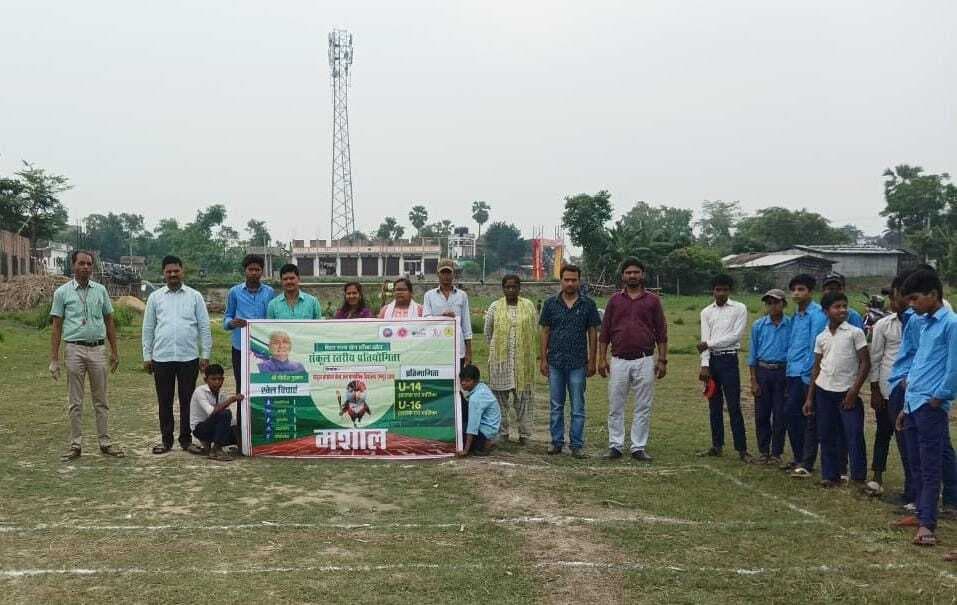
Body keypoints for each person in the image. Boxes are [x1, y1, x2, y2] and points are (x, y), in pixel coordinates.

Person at [894, 270, 957, 547]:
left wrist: (939, 397)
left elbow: (953, 368)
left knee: (931, 466)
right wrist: (906, 402)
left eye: (915, 299)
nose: (911, 304)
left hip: (930, 406)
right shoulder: (924, 323)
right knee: (915, 463)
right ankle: (920, 512)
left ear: (933, 294)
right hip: (913, 403)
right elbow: (920, 359)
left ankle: (927, 525)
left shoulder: (951, 324)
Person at [49, 250, 124, 460]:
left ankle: (105, 442)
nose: (86, 267)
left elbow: (109, 321)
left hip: (98, 349)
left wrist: (115, 351)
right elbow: (56, 327)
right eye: (81, 263)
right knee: (75, 401)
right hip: (74, 349)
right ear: (73, 265)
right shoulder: (62, 292)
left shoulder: (100, 291)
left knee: (101, 399)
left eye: (89, 264)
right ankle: (76, 444)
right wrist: (54, 359)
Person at [597, 258, 667, 462]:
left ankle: (638, 447)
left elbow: (661, 332)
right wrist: (602, 359)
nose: (632, 276)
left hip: (644, 360)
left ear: (642, 275)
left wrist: (662, 360)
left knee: (643, 405)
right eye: (628, 273)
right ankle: (615, 445)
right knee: (615, 405)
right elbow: (605, 333)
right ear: (623, 276)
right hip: (618, 360)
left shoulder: (653, 301)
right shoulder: (614, 301)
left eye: (636, 272)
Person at [142, 255, 212, 454]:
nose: (173, 274)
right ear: (163, 274)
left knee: (187, 401)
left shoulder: (195, 296)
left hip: (188, 357)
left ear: (183, 271)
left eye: (176, 271)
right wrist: (147, 356)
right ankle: (166, 441)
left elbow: (204, 327)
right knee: (164, 401)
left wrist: (204, 354)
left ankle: (186, 440)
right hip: (161, 358)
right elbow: (148, 328)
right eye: (169, 271)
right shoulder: (155, 298)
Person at [803, 291, 870, 488]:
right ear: (826, 311)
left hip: (846, 392)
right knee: (826, 434)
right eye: (837, 307)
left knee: (853, 434)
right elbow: (817, 368)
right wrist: (809, 398)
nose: (842, 310)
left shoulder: (854, 333)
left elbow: (865, 364)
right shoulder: (822, 336)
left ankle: (858, 477)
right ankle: (830, 475)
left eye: (844, 306)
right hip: (824, 391)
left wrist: (854, 391)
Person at [540, 264, 602, 459]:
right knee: (556, 405)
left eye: (574, 280)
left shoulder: (588, 305)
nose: (570, 283)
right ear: (561, 280)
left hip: (578, 363)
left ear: (579, 281)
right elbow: (545, 332)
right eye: (566, 279)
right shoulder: (550, 304)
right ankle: (556, 442)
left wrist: (592, 360)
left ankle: (576, 444)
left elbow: (593, 333)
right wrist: (543, 359)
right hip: (555, 361)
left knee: (577, 406)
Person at [696, 274, 751, 462]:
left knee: (734, 405)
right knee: (714, 405)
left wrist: (709, 344)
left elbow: (735, 337)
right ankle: (717, 445)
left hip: (729, 360)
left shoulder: (739, 308)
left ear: (730, 291)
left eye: (725, 289)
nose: (721, 293)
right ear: (712, 290)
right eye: (718, 289)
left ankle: (742, 449)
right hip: (712, 362)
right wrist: (704, 365)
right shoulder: (706, 312)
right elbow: (704, 338)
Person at [484, 275, 538, 445]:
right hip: (501, 362)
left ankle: (525, 434)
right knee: (500, 399)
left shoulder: (528, 306)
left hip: (523, 362)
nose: (511, 290)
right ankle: (502, 432)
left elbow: (534, 329)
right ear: (503, 288)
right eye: (507, 287)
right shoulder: (495, 307)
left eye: (514, 287)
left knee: (524, 398)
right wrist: (499, 350)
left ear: (519, 288)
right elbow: (488, 332)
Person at [868, 276, 909, 490]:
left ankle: (911, 484)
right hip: (886, 390)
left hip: (910, 391)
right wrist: (875, 390)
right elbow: (875, 358)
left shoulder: (920, 324)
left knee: (907, 439)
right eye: (891, 300)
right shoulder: (883, 324)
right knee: (883, 432)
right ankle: (877, 476)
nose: (894, 303)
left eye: (897, 298)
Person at [786, 274, 828, 477]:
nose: (796, 293)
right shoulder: (796, 315)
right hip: (792, 372)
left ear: (810, 292)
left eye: (801, 289)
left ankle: (807, 461)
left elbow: (815, 348)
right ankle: (799, 457)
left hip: (806, 375)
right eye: (794, 289)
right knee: (792, 416)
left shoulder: (817, 315)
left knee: (809, 417)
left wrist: (808, 374)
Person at [747, 289, 792, 465]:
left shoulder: (791, 324)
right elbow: (752, 354)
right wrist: (753, 379)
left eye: (776, 302)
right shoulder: (758, 325)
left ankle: (776, 453)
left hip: (782, 371)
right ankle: (764, 451)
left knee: (780, 414)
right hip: (763, 371)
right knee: (761, 414)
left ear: (783, 304)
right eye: (769, 303)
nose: (773, 306)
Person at [224, 254, 275, 392]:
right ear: (244, 270)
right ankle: (241, 414)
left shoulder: (270, 292)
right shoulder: (234, 292)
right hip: (240, 346)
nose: (253, 273)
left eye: (257, 269)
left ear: (262, 271)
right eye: (250, 269)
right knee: (241, 385)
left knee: (263, 383)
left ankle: (261, 413)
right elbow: (227, 318)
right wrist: (232, 323)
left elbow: (272, 319)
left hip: (263, 347)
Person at [188, 364, 244, 462]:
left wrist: (241, 444)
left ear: (223, 379)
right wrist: (232, 399)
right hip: (200, 429)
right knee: (225, 413)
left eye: (219, 379)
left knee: (240, 432)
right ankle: (216, 450)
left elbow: (231, 421)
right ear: (206, 380)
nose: (217, 382)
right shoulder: (200, 391)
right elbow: (211, 412)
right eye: (213, 379)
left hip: (213, 428)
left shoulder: (221, 395)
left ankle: (211, 445)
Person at [423, 259, 473, 367]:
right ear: (438, 274)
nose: (446, 276)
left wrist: (469, 352)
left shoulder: (462, 295)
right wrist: (442, 318)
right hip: (436, 345)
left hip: (458, 346)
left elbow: (466, 325)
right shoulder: (429, 296)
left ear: (453, 274)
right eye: (443, 272)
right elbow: (426, 320)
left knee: (458, 380)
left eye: (449, 272)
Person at [456, 364, 501, 457]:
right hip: (491, 429)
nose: (463, 383)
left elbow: (473, 426)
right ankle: (486, 443)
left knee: (457, 431)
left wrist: (465, 450)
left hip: (485, 434)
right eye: (462, 380)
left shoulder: (476, 398)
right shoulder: (482, 386)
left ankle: (484, 445)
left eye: (467, 381)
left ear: (475, 381)